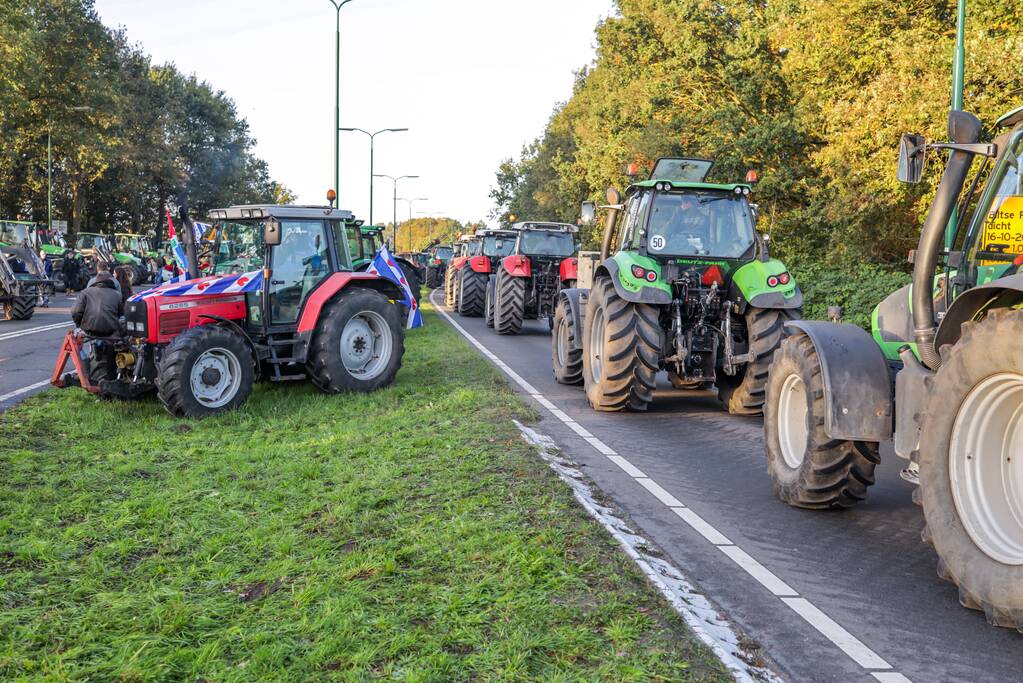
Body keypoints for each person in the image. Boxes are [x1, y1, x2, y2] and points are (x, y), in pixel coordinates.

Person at [71, 269, 123, 338]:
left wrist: (78, 324)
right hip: (110, 330)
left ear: (96, 280)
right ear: (111, 280)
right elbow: (121, 314)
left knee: (75, 337)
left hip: (88, 329)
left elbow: (75, 311)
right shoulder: (117, 294)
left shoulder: (85, 292)